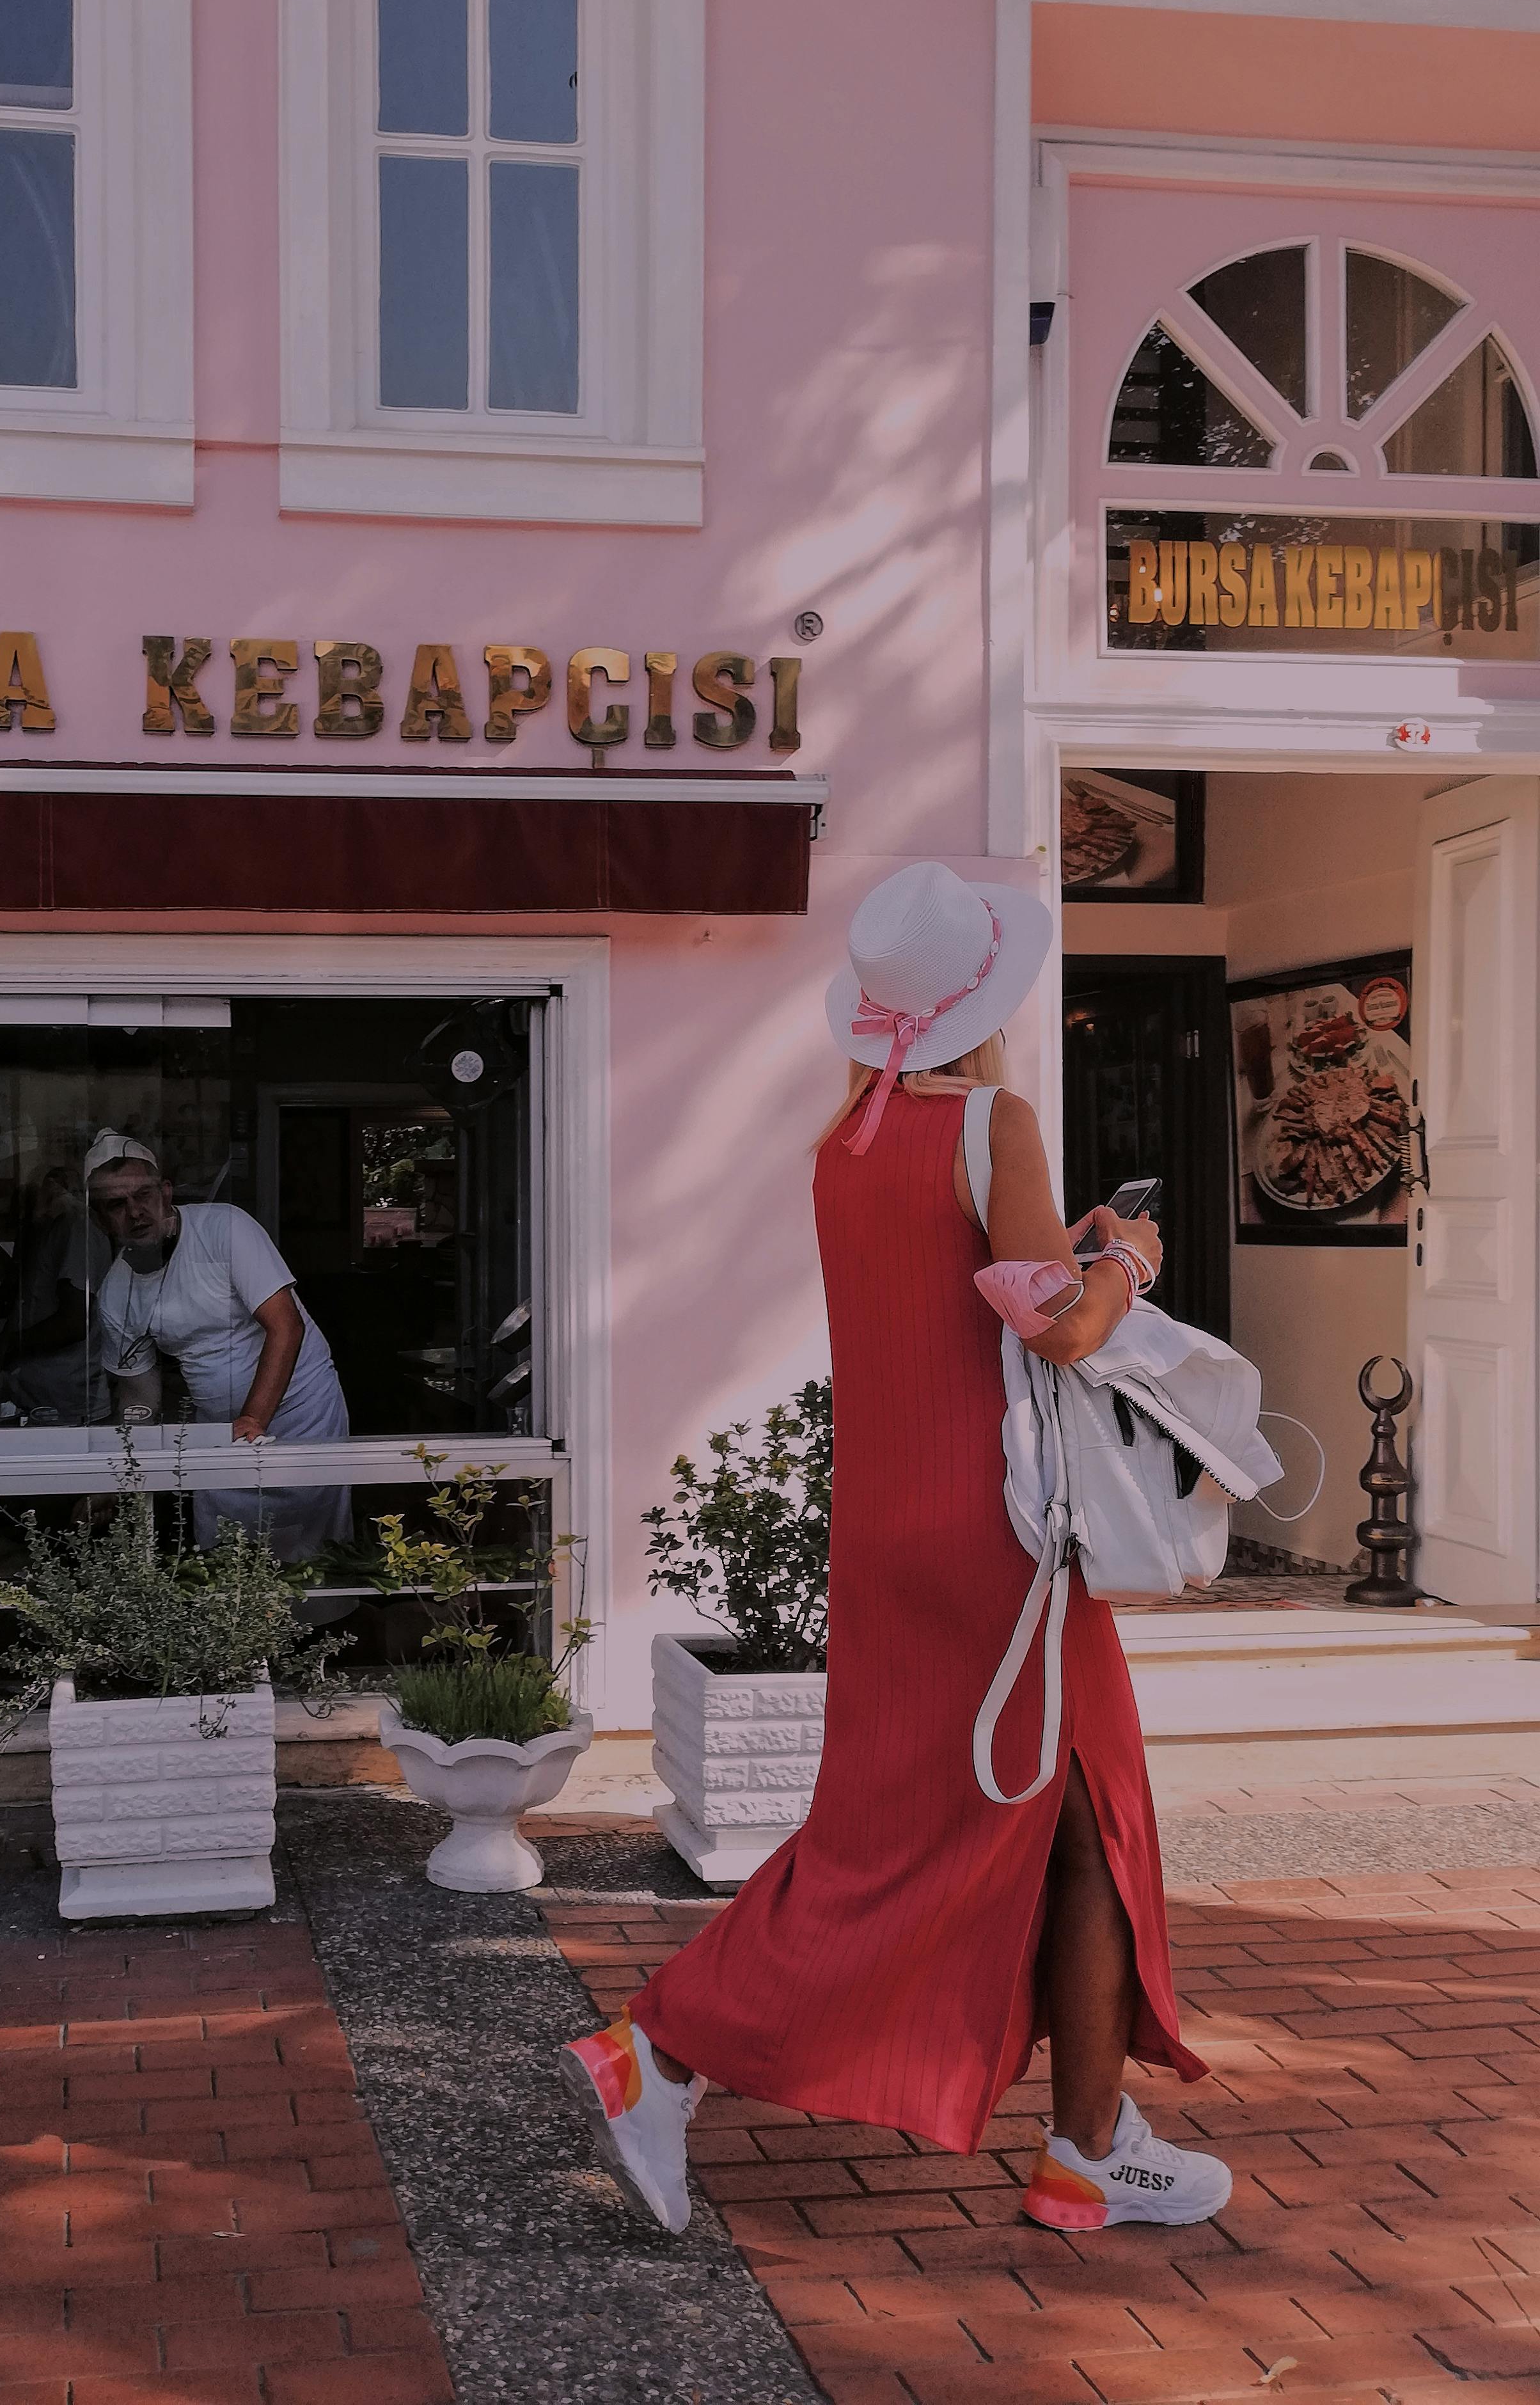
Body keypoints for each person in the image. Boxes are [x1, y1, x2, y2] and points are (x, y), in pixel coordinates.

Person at [561, 861, 1230, 2241]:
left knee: (965, 1829)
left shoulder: (843, 1148)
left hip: (886, 1534)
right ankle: (668, 2048)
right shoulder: (997, 1117)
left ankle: (1086, 2152)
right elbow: (1059, 1326)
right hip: (1002, 1549)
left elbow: (969, 1294)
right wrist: (1133, 1261)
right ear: (984, 1001)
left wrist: (1074, 1253)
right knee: (1042, 1830)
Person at [81, 1132, 352, 1563]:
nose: (135, 1212)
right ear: (99, 1219)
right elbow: (140, 1402)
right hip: (220, 1433)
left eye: (144, 1195)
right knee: (226, 1565)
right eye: (116, 1204)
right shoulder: (116, 1295)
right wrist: (119, 1477)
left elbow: (286, 1326)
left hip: (304, 1414)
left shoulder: (225, 1228)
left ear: (166, 1193)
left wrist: (253, 1419)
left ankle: (323, 1634)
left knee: (313, 1560)